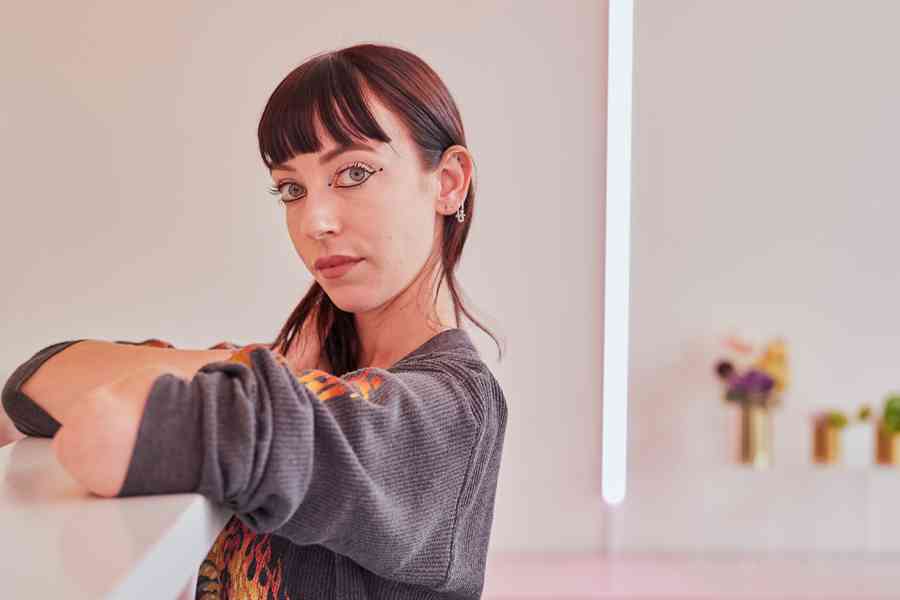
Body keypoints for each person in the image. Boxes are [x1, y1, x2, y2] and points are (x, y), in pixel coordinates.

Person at [1, 43, 508, 599]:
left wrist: (266, 372)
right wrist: (273, 368)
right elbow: (31, 385)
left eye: (354, 172)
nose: (314, 220)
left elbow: (104, 434)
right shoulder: (305, 374)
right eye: (292, 188)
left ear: (448, 181)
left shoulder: (446, 413)